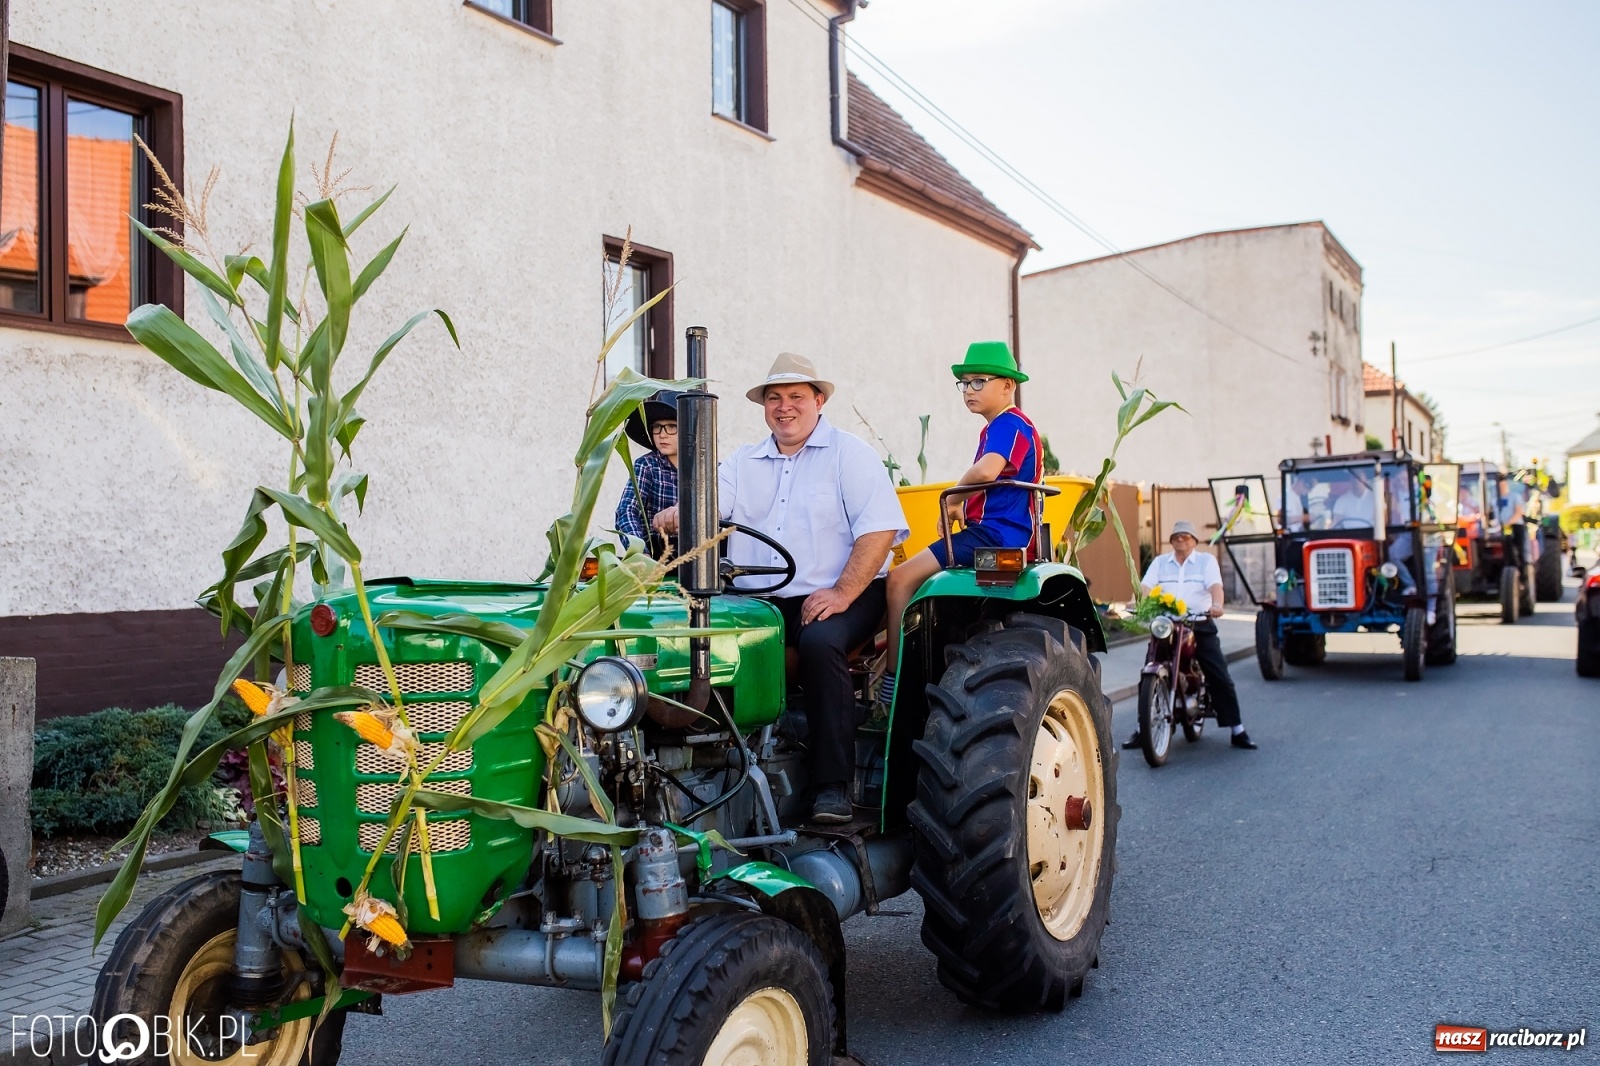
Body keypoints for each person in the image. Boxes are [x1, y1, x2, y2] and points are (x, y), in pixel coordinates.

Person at [655, 353, 909, 824]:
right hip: (761, 602)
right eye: (774, 398)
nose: (784, 407)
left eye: (795, 397)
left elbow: (877, 534)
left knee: (819, 643)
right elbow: (710, 500)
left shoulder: (850, 455)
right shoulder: (743, 461)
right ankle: (722, 773)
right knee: (705, 643)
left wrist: (841, 593)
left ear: (818, 400)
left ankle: (832, 786)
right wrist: (680, 511)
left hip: (842, 591)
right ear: (764, 407)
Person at [879, 341, 1041, 706]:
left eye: (978, 381)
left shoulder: (1009, 424)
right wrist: (961, 505)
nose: (969, 390)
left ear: (1007, 386)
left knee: (899, 578)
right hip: (992, 529)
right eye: (964, 383)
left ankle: (890, 685)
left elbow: (987, 470)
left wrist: (953, 498)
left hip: (995, 535)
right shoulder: (999, 428)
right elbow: (992, 480)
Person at [1123, 521, 1257, 751]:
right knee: (1149, 669)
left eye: (1185, 536)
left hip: (1199, 623)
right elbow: (1145, 586)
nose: (1180, 539)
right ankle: (1141, 728)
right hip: (1167, 625)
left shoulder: (1206, 561)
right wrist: (1135, 601)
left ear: (1194, 541)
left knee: (1219, 673)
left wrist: (1217, 604)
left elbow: (1216, 586)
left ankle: (1237, 729)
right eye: (1176, 536)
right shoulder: (1160, 562)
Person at [614, 392, 680, 558]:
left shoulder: (712, 469)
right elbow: (627, 511)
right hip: (656, 559)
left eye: (672, 426)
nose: (662, 434)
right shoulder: (647, 466)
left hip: (701, 561)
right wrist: (640, 553)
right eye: (657, 427)